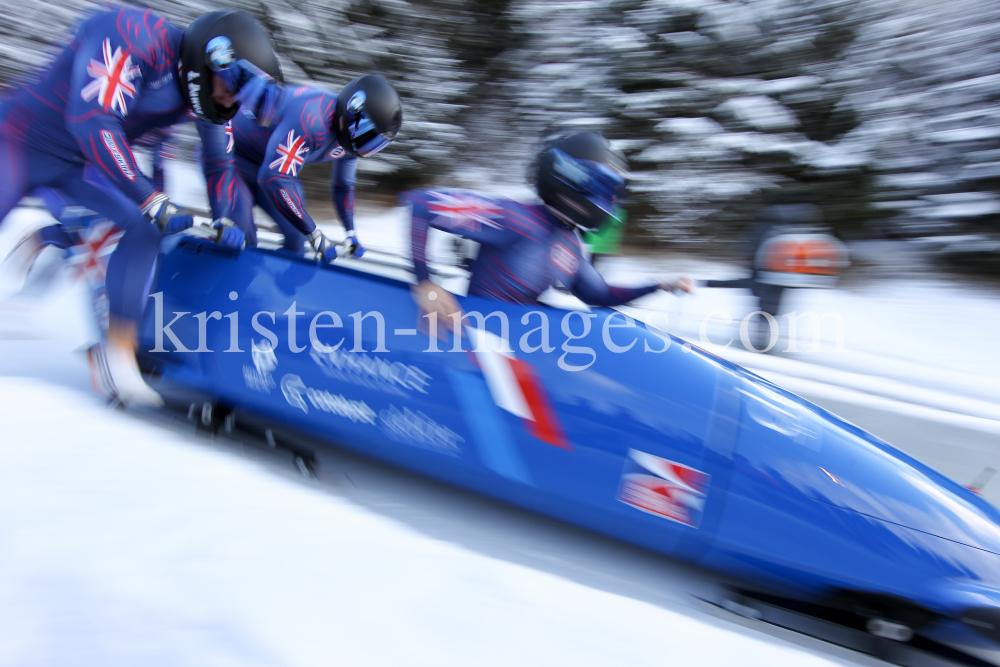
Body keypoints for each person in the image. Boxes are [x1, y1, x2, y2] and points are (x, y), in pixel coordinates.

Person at [0, 6, 282, 406]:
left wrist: (231, 225)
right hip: (15, 142)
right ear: (209, 58)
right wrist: (151, 197)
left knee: (142, 228)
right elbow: (93, 121)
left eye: (243, 96)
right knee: (142, 211)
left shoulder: (204, 97)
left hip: (77, 167)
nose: (231, 101)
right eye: (233, 86)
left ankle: (117, 352)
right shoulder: (134, 33)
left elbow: (220, 164)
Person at [404, 131, 691, 334]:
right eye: (607, 190)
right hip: (473, 340)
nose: (612, 203)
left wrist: (659, 284)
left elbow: (599, 294)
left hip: (516, 348)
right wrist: (426, 286)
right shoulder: (514, 218)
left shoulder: (570, 246)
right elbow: (420, 203)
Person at [228, 74, 403, 259]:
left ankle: (281, 285)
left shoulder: (351, 142)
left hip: (270, 167)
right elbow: (273, 178)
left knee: (296, 241)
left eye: (375, 142)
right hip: (234, 158)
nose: (365, 146)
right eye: (367, 133)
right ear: (353, 109)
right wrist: (314, 233)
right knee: (243, 238)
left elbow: (343, 186)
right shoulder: (313, 119)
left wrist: (350, 233)